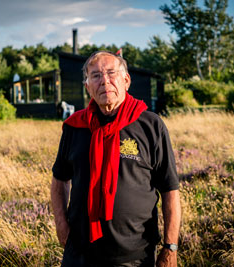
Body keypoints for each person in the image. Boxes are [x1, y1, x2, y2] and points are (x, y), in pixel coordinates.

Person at [51, 51, 181, 267]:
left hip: (135, 256)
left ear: (126, 80)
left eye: (111, 73)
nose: (105, 81)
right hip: (80, 254)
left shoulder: (151, 125)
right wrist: (61, 224)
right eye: (95, 76)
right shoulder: (74, 127)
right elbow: (59, 180)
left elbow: (169, 188)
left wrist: (171, 247)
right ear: (87, 87)